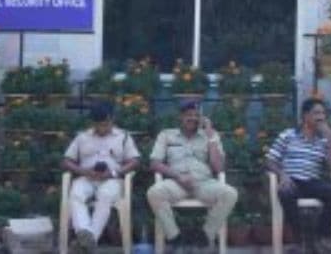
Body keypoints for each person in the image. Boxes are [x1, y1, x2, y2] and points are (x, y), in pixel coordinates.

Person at [147, 101, 237, 251]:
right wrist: (178, 176)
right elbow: (154, 163)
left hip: (204, 184)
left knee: (230, 194)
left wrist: (211, 137)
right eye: (189, 115)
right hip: (176, 183)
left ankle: (205, 235)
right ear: (180, 117)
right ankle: (175, 237)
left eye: (196, 115)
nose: (193, 118)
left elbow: (218, 167)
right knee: (154, 193)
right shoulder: (166, 135)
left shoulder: (210, 136)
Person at [267, 98, 331, 254]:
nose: (321, 117)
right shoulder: (288, 135)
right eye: (316, 113)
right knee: (286, 192)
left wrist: (330, 139)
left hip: (312, 182)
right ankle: (299, 241)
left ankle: (321, 235)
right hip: (292, 180)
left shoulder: (324, 140)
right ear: (305, 115)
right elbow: (270, 161)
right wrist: (282, 175)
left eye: (323, 114)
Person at [61, 102, 140, 254]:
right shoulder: (82, 137)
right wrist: (83, 171)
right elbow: (66, 161)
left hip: (112, 178)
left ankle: (87, 241)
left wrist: (113, 173)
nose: (103, 128)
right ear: (93, 123)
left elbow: (135, 161)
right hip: (87, 177)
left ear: (112, 119)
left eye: (106, 124)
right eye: (99, 125)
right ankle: (86, 236)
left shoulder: (123, 136)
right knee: (76, 193)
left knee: (105, 195)